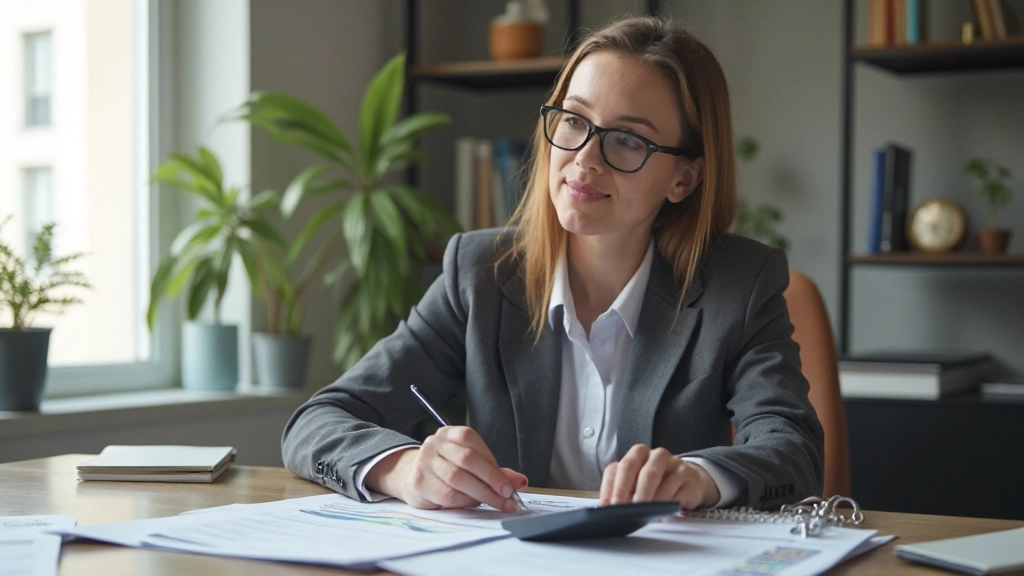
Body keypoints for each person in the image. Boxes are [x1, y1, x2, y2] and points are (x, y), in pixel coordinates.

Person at [282, 16, 824, 515]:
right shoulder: (478, 275)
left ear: (684, 177)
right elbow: (317, 423)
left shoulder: (739, 286)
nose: (585, 158)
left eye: (628, 140)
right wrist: (404, 468)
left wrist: (699, 477)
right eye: (574, 121)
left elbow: (793, 450)